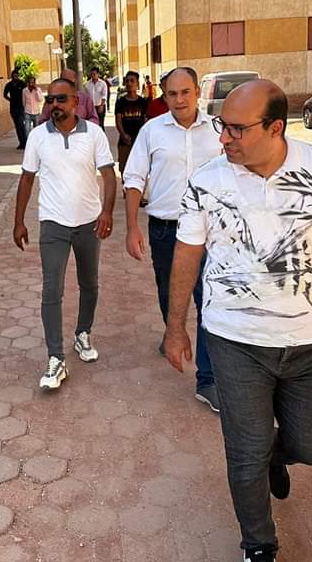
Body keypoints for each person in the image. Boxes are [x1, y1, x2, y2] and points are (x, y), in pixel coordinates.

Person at [165, 79, 312, 562]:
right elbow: (187, 253)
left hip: (308, 339)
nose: (225, 138)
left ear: (275, 127)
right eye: (222, 127)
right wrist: (175, 326)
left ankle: (274, 459)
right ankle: (258, 545)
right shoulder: (207, 181)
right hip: (234, 338)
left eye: (237, 129)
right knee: (245, 450)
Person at [122, 67, 221, 411]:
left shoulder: (218, 131)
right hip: (167, 230)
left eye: (185, 92)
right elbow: (134, 178)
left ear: (198, 93)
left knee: (209, 300)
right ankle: (172, 331)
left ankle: (208, 379)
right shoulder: (152, 131)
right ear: (164, 96)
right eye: (172, 94)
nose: (179, 100)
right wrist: (131, 227)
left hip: (209, 232)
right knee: (170, 294)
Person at [14, 77, 117, 391]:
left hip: (88, 223)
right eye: (50, 100)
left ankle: (82, 333)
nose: (54, 105)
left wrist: (107, 211)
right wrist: (19, 221)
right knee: (51, 290)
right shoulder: (37, 137)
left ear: (76, 101)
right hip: (53, 224)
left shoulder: (94, 134)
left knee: (89, 283)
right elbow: (27, 179)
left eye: (61, 99)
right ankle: (55, 357)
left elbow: (108, 175)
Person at [113, 70, 147, 174]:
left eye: (132, 81)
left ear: (137, 84)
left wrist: (142, 137)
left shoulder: (143, 102)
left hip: (140, 142)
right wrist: (123, 135)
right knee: (125, 171)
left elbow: (146, 121)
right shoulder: (120, 102)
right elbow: (118, 121)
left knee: (140, 171)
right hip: (124, 143)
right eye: (127, 81)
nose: (129, 83)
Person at [3, 69, 27, 149]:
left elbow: (26, 93)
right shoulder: (9, 85)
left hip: (21, 107)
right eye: (14, 76)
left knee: (21, 124)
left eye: (16, 75)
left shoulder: (22, 83)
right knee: (17, 125)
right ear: (12, 76)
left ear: (18, 76)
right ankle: (21, 143)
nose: (15, 77)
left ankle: (25, 142)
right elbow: (5, 95)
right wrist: (10, 100)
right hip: (13, 108)